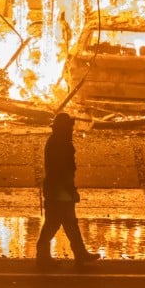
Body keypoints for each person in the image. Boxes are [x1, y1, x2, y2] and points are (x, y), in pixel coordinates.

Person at [35, 112, 100, 267]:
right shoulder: (60, 144)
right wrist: (70, 190)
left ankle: (79, 253)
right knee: (55, 223)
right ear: (64, 128)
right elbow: (63, 171)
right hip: (59, 191)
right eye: (69, 127)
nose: (72, 130)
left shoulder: (58, 141)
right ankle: (43, 255)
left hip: (58, 190)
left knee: (69, 222)